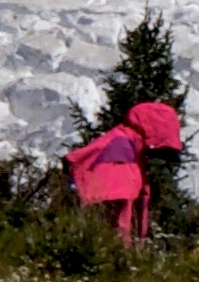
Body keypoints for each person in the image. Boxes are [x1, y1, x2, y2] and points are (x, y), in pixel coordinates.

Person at [59, 99, 179, 240]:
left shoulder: (123, 142)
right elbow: (116, 210)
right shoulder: (122, 152)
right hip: (103, 242)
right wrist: (122, 247)